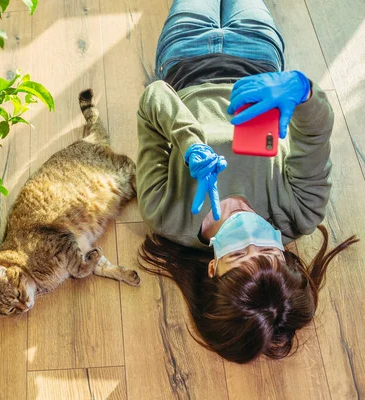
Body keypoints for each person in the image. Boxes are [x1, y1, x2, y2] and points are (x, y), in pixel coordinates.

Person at [136, 0, 359, 363]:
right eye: (268, 251)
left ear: (213, 268)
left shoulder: (167, 214)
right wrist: (300, 89)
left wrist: (188, 141)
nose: (250, 234)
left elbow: (153, 98)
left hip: (185, 58)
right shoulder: (300, 212)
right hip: (258, 54)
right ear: (285, 256)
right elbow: (314, 134)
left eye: (238, 254)